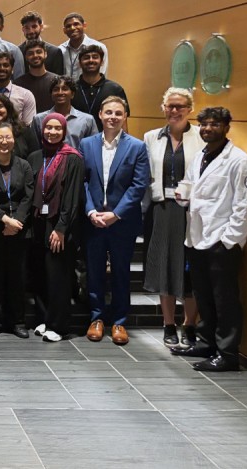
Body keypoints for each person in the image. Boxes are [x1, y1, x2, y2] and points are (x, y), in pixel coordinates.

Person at [171, 107, 247, 372]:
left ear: (227, 126)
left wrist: (230, 240)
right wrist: (183, 196)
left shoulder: (239, 160)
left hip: (221, 241)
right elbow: (191, 186)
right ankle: (206, 343)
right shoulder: (200, 156)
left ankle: (227, 353)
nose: (207, 128)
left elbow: (244, 205)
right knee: (204, 295)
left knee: (224, 299)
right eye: (203, 124)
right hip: (196, 237)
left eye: (214, 124)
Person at [82, 96, 149, 346]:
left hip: (122, 222)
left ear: (125, 117)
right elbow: (83, 181)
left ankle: (119, 321)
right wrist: (91, 212)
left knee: (121, 272)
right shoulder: (86, 144)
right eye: (108, 112)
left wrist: (116, 214)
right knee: (95, 271)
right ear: (100, 114)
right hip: (94, 220)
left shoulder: (137, 147)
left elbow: (138, 185)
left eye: (118, 113)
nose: (112, 117)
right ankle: (97, 318)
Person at [143, 88, 204, 347]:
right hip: (162, 209)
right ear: (163, 107)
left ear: (189, 109)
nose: (175, 111)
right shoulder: (151, 137)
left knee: (190, 271)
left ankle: (189, 325)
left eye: (180, 106)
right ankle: (168, 324)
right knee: (164, 266)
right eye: (170, 106)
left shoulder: (201, 137)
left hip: (192, 212)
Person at [27, 114, 84, 342]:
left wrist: (61, 228)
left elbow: (72, 197)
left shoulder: (73, 159)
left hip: (60, 225)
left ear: (63, 131)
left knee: (58, 276)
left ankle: (59, 325)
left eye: (56, 128)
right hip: (38, 224)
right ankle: (43, 318)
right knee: (40, 274)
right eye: (48, 128)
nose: (51, 132)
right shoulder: (34, 157)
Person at [0, 123, 34, 338]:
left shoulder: (24, 165)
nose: (4, 142)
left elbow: (29, 197)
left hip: (19, 230)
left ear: (14, 140)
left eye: (8, 137)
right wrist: (4, 220)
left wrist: (16, 222)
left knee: (18, 277)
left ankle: (18, 321)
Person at [71, 44, 129, 132]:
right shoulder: (71, 88)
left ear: (101, 62)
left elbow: (123, 122)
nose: (91, 60)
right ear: (79, 63)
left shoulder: (115, 89)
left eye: (95, 57)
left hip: (107, 142)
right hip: (76, 141)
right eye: (86, 57)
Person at [32, 76, 98, 151]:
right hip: (47, 161)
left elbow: (93, 149)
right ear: (51, 95)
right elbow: (35, 149)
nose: (60, 92)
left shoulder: (87, 120)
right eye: (56, 89)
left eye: (65, 89)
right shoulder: (39, 119)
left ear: (72, 94)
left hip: (78, 161)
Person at [59, 13, 109, 80]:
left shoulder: (99, 47)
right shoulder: (60, 50)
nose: (72, 28)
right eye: (68, 26)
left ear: (84, 25)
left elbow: (101, 74)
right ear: (64, 30)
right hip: (66, 89)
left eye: (76, 24)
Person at [13, 40, 58, 113]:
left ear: (45, 54)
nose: (35, 55)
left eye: (39, 52)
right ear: (26, 57)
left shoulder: (57, 80)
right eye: (30, 53)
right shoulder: (18, 84)